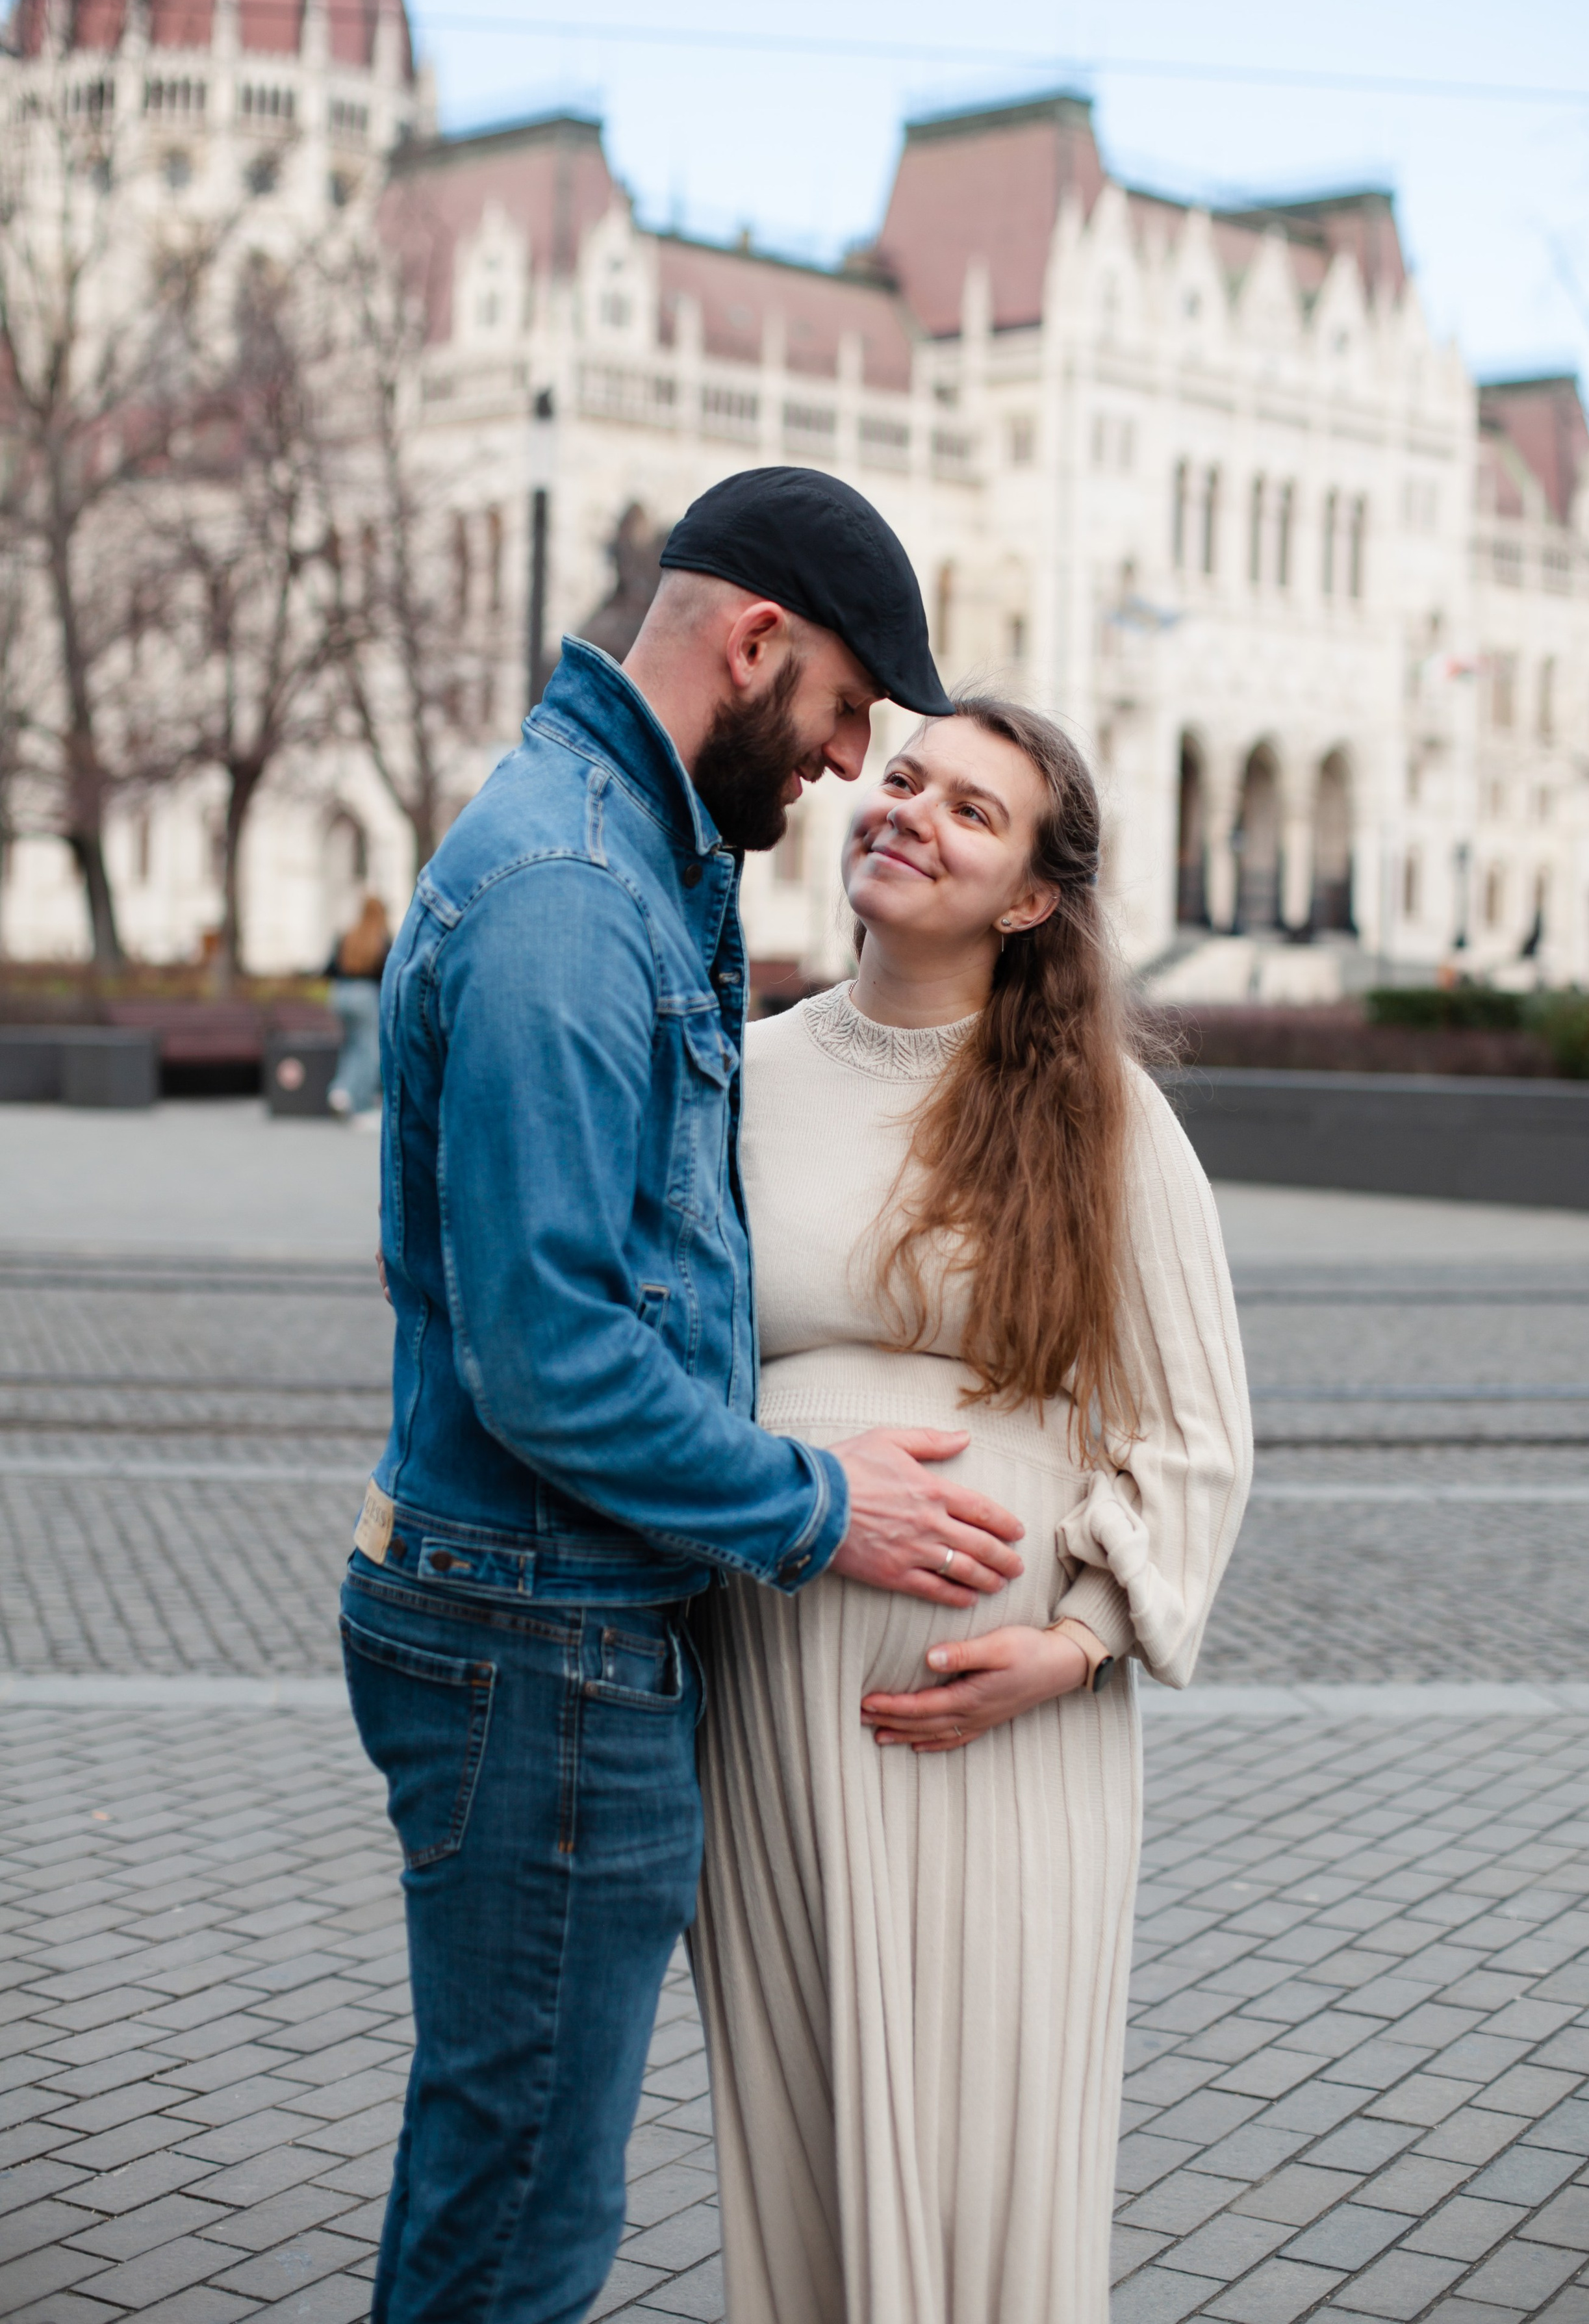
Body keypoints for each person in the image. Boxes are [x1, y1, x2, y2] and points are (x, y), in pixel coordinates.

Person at [340, 468, 1028, 2324]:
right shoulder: (575, 892)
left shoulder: (637, 853)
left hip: (540, 1620)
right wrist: (826, 1506)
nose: (842, 767)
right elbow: (552, 1359)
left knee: (509, 2170)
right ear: (757, 645)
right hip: (538, 1635)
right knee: (524, 2220)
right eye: (844, 717)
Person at [693, 696, 1254, 2324]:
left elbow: (1195, 1427)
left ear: (1027, 895)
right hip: (780, 1709)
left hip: (1005, 1727)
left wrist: (1075, 1645)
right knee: (800, 2149)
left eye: (971, 810)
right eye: (900, 780)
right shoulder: (739, 1069)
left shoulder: (1098, 1113)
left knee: (990, 2161)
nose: (910, 813)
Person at [327, 894, 392, 1117]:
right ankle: (360, 1104)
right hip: (365, 995)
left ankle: (341, 1089)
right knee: (369, 1051)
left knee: (351, 1045)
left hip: (340, 993)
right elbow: (386, 973)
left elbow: (330, 968)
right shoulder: (381, 939)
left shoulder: (348, 936)